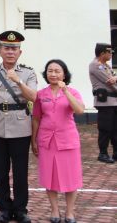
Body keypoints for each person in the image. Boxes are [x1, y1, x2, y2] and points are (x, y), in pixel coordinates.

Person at [0, 30, 37, 223]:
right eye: (6, 48)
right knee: (0, 171)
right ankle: (4, 208)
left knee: (21, 171)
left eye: (14, 48)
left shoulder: (28, 72)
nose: (10, 52)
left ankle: (21, 209)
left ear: (20, 52)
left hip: (21, 126)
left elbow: (33, 97)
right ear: (0, 51)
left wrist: (18, 81)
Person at [32, 59, 85, 223]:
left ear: (64, 73)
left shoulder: (73, 92)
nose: (53, 74)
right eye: (50, 71)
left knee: (71, 177)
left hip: (67, 140)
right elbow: (36, 118)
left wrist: (65, 91)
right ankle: (54, 210)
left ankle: (70, 212)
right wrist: (33, 140)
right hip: (47, 140)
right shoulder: (41, 94)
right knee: (50, 176)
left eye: (57, 71)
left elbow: (80, 110)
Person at [89, 42, 117, 163]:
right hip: (105, 103)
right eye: (109, 52)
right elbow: (110, 82)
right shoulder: (96, 65)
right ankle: (103, 153)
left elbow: (114, 79)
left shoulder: (106, 65)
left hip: (114, 102)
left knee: (115, 129)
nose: (111, 54)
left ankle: (116, 153)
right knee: (105, 129)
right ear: (102, 53)